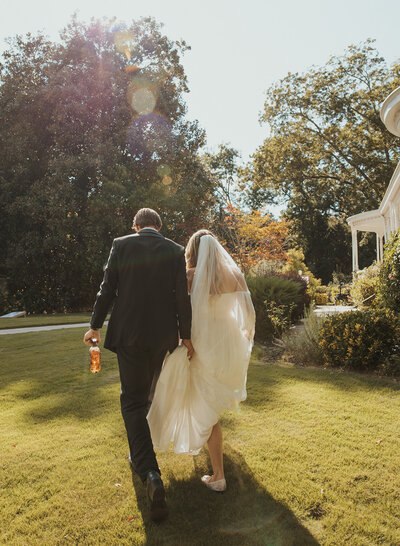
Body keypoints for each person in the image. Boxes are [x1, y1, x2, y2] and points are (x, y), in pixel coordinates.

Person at [83, 208, 193, 522]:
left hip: (129, 335)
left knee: (132, 402)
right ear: (159, 226)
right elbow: (181, 298)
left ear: (136, 225)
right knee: (144, 399)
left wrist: (95, 325)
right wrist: (185, 336)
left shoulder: (122, 244)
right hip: (162, 338)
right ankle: (141, 457)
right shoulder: (175, 250)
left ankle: (150, 473)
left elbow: (108, 289)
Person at [147, 230, 255, 492]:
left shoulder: (190, 275)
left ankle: (217, 475)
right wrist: (244, 334)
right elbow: (248, 313)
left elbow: (178, 310)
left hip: (200, 343)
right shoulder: (235, 275)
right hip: (227, 344)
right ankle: (215, 470)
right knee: (209, 406)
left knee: (172, 392)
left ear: (192, 251)